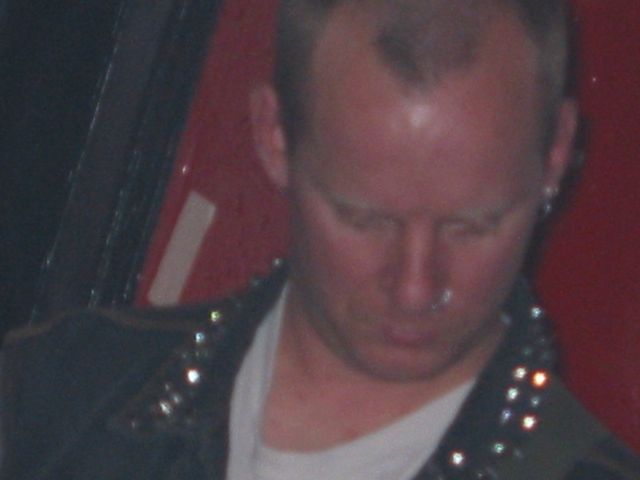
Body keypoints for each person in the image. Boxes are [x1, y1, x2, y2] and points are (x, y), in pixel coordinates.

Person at [2, 0, 639, 479]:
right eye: (364, 219)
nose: (415, 286)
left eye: (473, 226)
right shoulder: (56, 395)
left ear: (556, 154)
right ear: (274, 135)